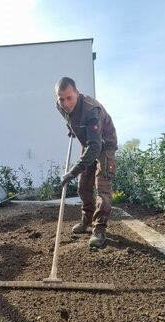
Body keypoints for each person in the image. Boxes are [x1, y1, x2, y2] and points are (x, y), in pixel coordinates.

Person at [55, 77, 118, 250]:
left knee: (102, 189)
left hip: (104, 145)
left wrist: (72, 171)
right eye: (61, 99)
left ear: (77, 93)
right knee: (83, 187)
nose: (65, 103)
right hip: (89, 143)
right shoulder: (59, 106)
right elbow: (71, 120)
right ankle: (87, 221)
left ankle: (99, 230)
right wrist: (72, 130)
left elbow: (95, 146)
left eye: (69, 98)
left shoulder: (91, 110)